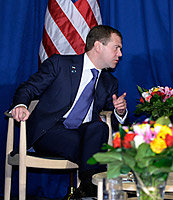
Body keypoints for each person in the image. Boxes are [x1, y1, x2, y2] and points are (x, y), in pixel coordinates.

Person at [9, 25, 128, 199]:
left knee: (100, 129)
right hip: (49, 130)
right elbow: (29, 88)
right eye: (116, 48)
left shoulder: (109, 82)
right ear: (98, 46)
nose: (120, 54)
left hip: (84, 133)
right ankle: (92, 188)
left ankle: (87, 188)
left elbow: (114, 126)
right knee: (96, 150)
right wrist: (21, 105)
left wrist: (120, 111)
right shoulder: (60, 64)